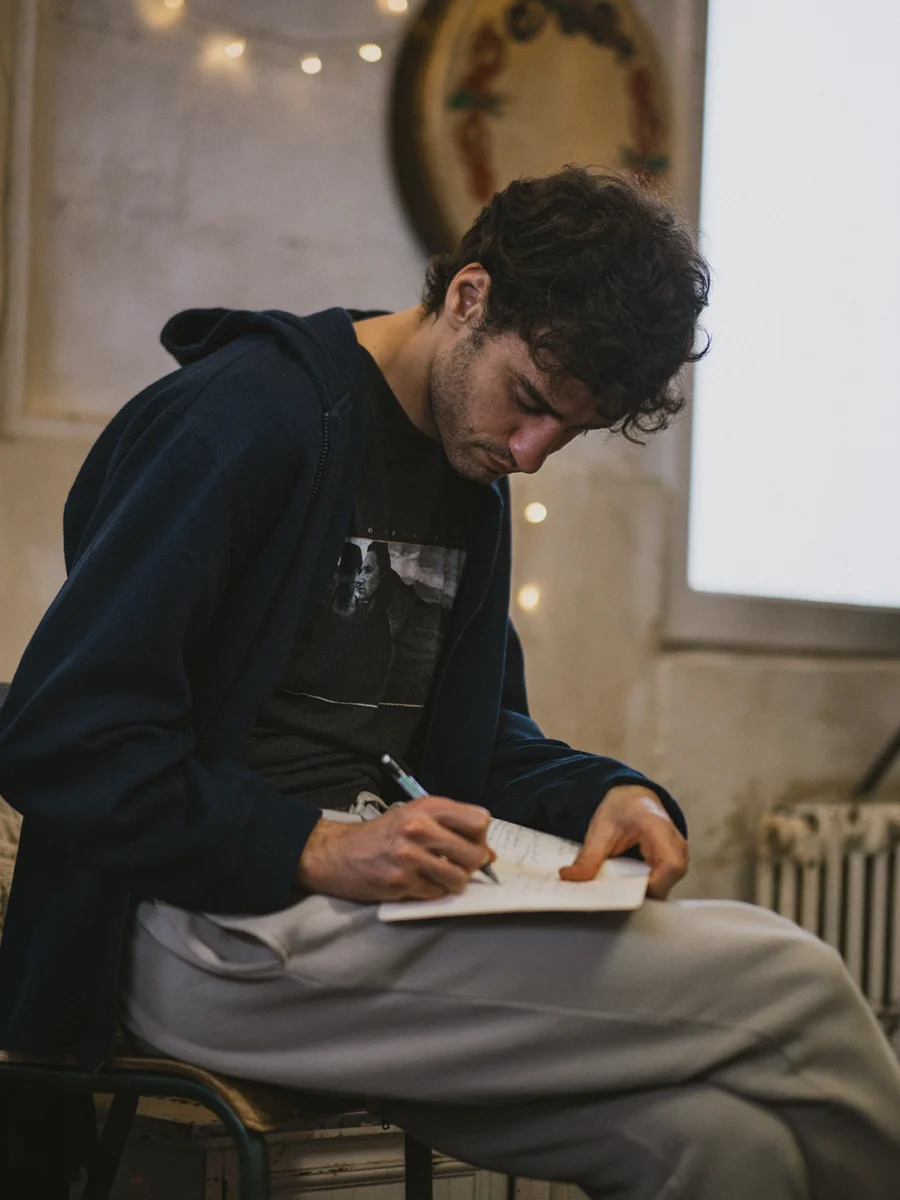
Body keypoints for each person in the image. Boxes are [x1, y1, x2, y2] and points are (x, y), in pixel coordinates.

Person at [0, 166, 898, 1199]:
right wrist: (315, 843)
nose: (531, 453)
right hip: (204, 930)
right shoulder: (247, 418)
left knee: (726, 1145)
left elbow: (473, 739)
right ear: (468, 296)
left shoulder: (465, 468)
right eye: (528, 403)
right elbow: (59, 736)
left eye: (569, 432)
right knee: (794, 982)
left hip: (374, 921)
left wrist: (607, 793)